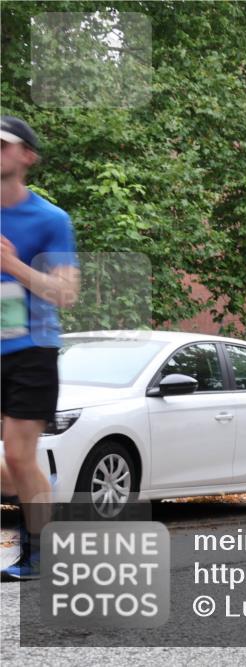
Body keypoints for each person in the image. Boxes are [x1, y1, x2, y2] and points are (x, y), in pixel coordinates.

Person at [1, 116, 80, 581]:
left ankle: (38, 552)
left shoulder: (51, 220)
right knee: (18, 464)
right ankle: (39, 486)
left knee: (17, 455)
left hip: (32, 349)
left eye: (3, 145)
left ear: (26, 156)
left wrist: (13, 264)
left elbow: (66, 293)